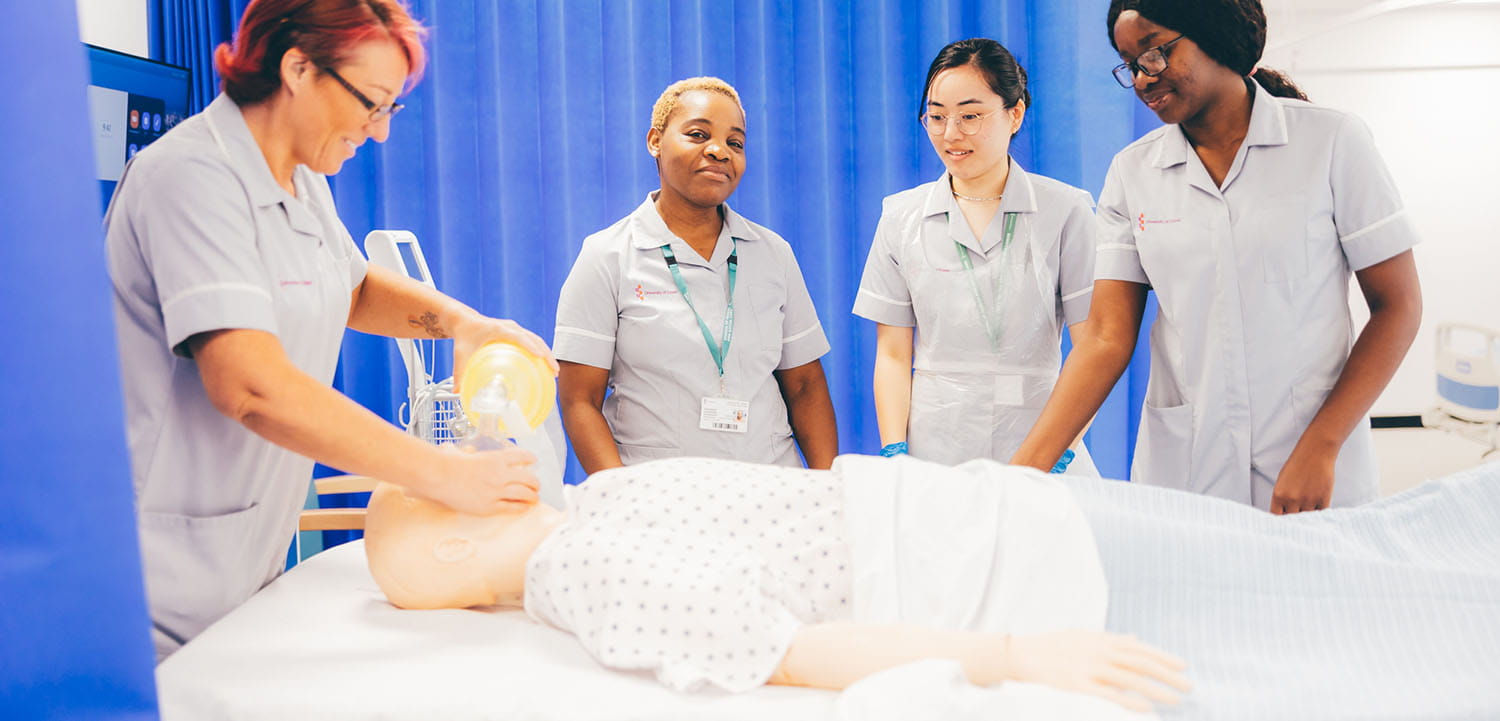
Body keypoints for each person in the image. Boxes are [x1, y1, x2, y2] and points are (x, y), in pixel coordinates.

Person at [102, 0, 553, 658]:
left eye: (391, 108)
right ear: (298, 68)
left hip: (243, 577)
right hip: (157, 589)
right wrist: (446, 475)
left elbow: (353, 288)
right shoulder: (188, 176)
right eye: (371, 102)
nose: (379, 131)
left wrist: (465, 324)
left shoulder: (301, 179)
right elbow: (250, 386)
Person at [364, 453, 1500, 719]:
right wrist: (1012, 655)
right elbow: (785, 651)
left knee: (1342, 562)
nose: (478, 470)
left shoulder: (593, 505)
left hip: (1015, 516)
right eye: (442, 486)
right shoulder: (581, 566)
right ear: (456, 556)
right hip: (1026, 569)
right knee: (1347, 600)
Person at [1011, 0, 1423, 513]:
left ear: (1216, 32)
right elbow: (1106, 338)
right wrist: (1019, 475)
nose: (1141, 78)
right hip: (1185, 466)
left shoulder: (1330, 144)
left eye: (1155, 53)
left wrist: (1323, 444)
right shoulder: (1134, 172)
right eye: (1129, 63)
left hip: (1309, 463)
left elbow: (1398, 306)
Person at [554, 77, 838, 472]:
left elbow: (806, 385)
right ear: (655, 140)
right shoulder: (607, 256)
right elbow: (579, 401)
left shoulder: (773, 253)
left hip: (771, 491)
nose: (720, 151)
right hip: (659, 501)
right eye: (698, 134)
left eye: (735, 143)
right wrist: (621, 497)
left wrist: (828, 489)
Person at [854, 39, 1099, 472]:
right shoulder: (900, 216)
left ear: (1015, 113)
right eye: (936, 116)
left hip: (1042, 444)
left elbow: (1092, 350)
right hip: (935, 452)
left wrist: (1064, 451)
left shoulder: (1066, 211)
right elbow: (892, 353)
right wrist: (894, 451)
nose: (951, 134)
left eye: (970, 116)